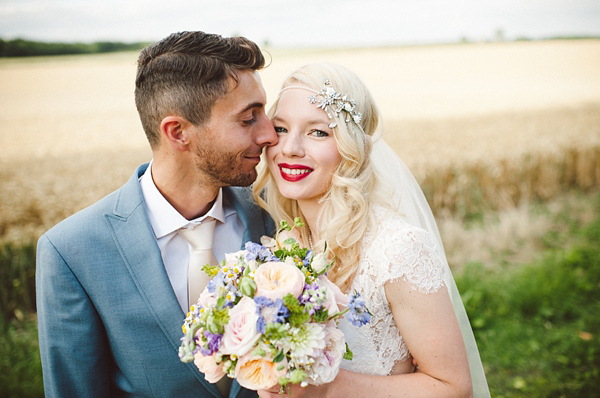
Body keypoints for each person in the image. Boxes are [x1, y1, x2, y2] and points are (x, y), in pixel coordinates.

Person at [36, 31, 277, 398]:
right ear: (177, 132)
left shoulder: (276, 217)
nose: (270, 135)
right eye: (248, 119)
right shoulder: (71, 251)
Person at [252, 62, 490, 397]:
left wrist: (326, 389)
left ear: (353, 146)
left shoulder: (396, 249)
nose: (289, 147)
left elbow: (452, 386)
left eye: (318, 132)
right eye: (280, 129)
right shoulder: (281, 244)